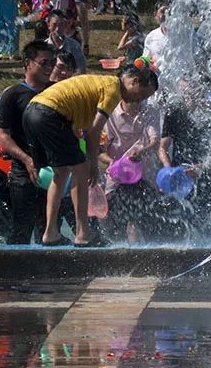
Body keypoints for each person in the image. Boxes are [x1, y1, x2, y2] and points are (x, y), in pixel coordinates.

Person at [23, 63, 158, 246]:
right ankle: (83, 233)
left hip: (32, 112)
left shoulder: (97, 88)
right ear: (134, 81)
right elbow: (94, 133)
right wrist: (93, 166)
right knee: (81, 171)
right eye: (142, 94)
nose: (139, 100)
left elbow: (86, 130)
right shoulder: (113, 89)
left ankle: (50, 233)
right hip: (50, 113)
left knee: (61, 173)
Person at [0, 41, 54, 244]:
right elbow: (2, 135)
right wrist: (26, 159)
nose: (49, 68)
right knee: (22, 227)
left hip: (55, 170)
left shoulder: (57, 91)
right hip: (22, 170)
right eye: (44, 62)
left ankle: (53, 272)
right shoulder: (13, 95)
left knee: (50, 226)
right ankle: (13, 272)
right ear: (28, 63)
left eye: (51, 62)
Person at [159, 79, 211, 238]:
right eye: (186, 91)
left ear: (203, 90)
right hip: (182, 175)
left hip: (209, 173)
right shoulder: (174, 112)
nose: (190, 95)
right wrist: (169, 169)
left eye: (194, 90)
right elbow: (162, 147)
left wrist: (201, 167)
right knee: (184, 218)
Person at [100, 95, 161, 242]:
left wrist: (142, 152)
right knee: (115, 236)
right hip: (116, 181)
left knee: (149, 232)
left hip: (145, 179)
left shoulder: (150, 111)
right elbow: (99, 151)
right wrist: (112, 163)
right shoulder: (108, 114)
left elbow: (155, 142)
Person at [45, 9, 86, 73]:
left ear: (65, 25)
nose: (57, 29)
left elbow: (82, 69)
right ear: (48, 25)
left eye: (61, 25)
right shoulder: (43, 47)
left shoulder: (74, 46)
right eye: (54, 25)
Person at [142, 3, 168, 70]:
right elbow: (146, 57)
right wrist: (143, 62)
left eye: (170, 12)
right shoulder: (151, 36)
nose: (166, 15)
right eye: (163, 12)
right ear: (156, 15)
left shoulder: (184, 36)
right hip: (157, 78)